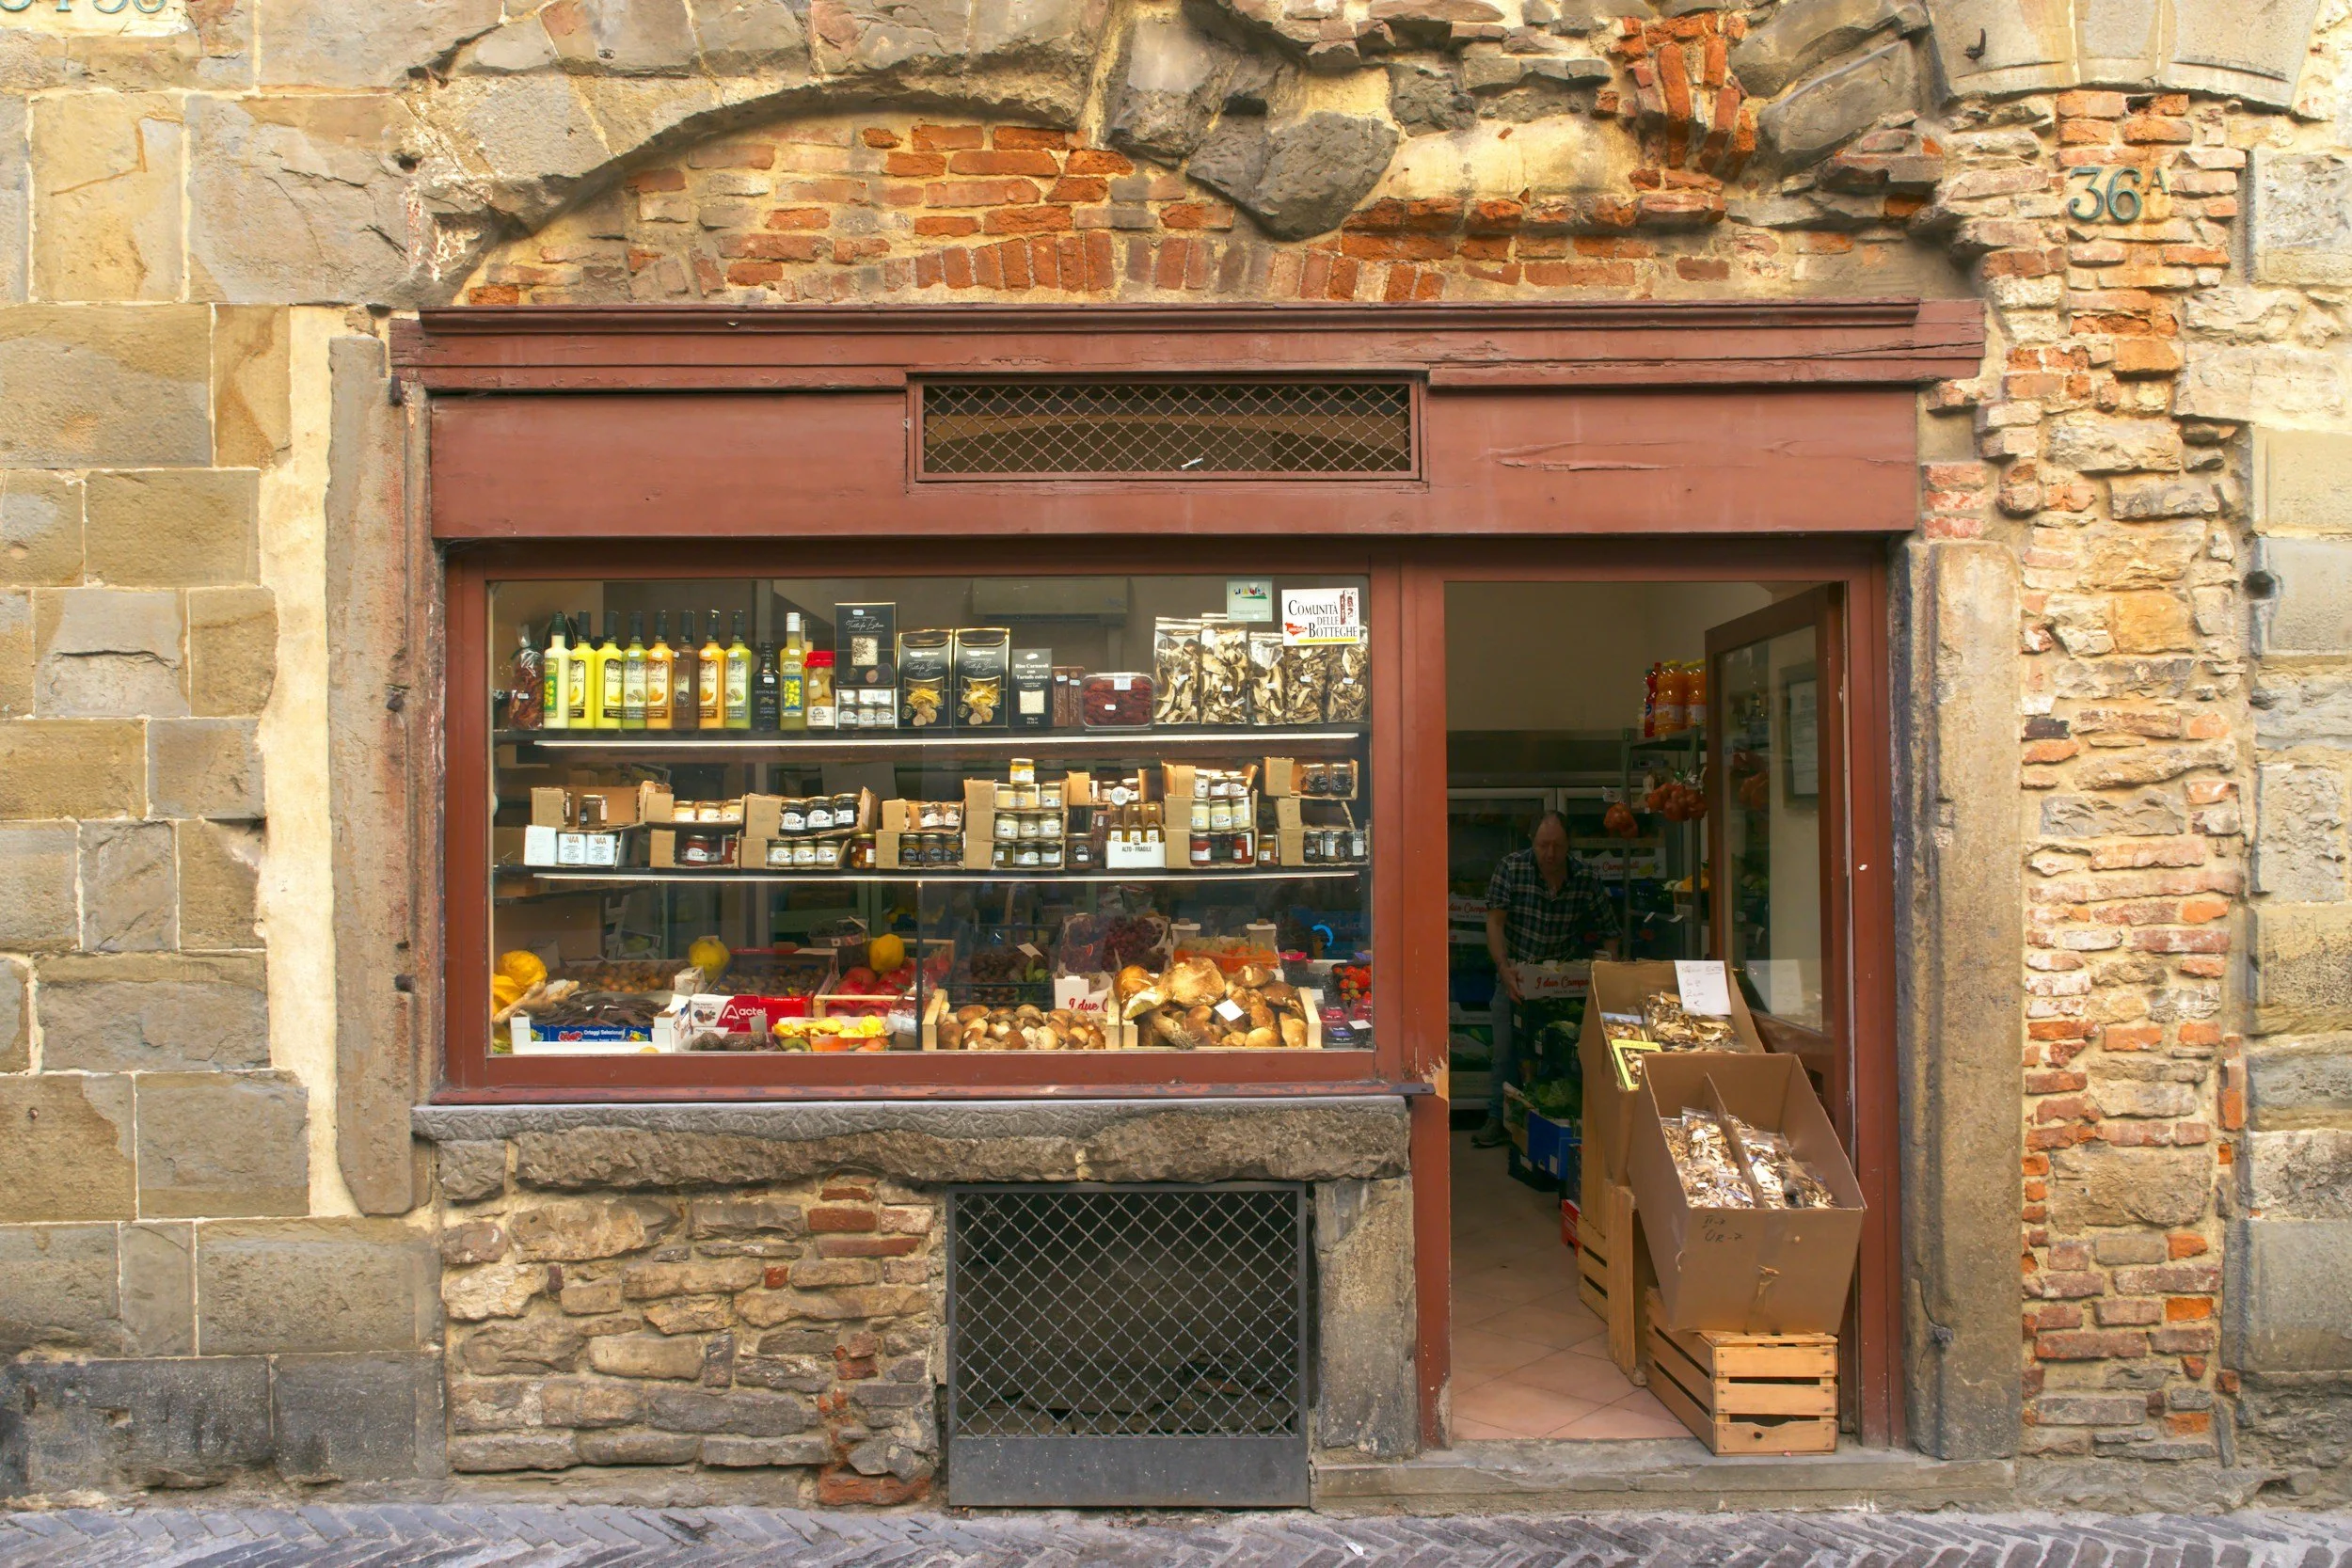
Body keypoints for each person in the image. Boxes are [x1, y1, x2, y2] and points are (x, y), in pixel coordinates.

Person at [1472, 810, 1615, 1148]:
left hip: (1562, 982)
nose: (1550, 854)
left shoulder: (1586, 878)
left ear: (1569, 846)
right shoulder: (1512, 868)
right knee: (1505, 1051)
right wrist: (1503, 968)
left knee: (1560, 1052)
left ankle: (1561, 1123)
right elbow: (1495, 922)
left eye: (1558, 846)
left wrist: (1610, 975)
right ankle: (1498, 1117)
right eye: (1543, 845)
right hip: (1517, 973)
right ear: (1532, 843)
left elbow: (1609, 929)